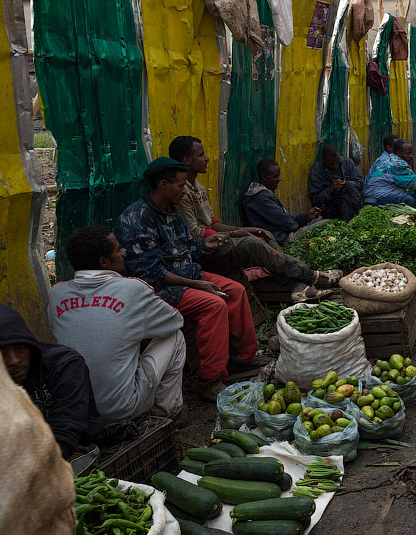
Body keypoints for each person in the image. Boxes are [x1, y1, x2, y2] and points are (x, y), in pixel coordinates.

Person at [114, 157, 266, 402]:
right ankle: (210, 381)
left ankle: (243, 359)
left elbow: (187, 248)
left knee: (235, 290)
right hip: (160, 288)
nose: (184, 190)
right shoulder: (137, 219)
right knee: (214, 305)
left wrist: (205, 245)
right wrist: (198, 285)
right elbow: (151, 274)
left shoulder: (172, 211)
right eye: (181, 185)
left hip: (187, 275)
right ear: (163, 184)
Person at [49, 225, 187, 425]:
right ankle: (167, 413)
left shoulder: (56, 294)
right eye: (117, 250)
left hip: (75, 411)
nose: (123, 252)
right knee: (175, 337)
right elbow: (175, 321)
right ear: (104, 261)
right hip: (121, 409)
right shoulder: (132, 288)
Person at [170, 136, 334, 302]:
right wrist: (236, 234)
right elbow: (196, 233)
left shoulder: (198, 187)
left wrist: (244, 230)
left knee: (263, 235)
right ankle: (311, 275)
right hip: (203, 250)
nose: (206, 158)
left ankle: (297, 288)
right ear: (187, 160)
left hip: (216, 241)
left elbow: (213, 222)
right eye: (201, 155)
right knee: (253, 244)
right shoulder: (181, 194)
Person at [0, 302, 100, 458]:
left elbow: (67, 428)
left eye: (20, 348)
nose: (14, 360)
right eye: (1, 352)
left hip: (70, 450)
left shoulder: (64, 365)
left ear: (30, 345)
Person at [243, 160, 322, 245]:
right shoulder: (262, 199)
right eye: (276, 176)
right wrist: (302, 222)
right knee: (324, 223)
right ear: (265, 177)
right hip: (282, 240)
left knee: (318, 219)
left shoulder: (264, 194)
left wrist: (306, 217)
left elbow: (284, 218)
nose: (279, 179)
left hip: (284, 233)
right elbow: (290, 225)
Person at [363, 139, 416, 206]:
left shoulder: (391, 158)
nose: (411, 156)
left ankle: (415, 217)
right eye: (408, 153)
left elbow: (409, 181)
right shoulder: (399, 164)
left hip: (380, 195)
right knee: (408, 200)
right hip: (376, 199)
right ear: (399, 152)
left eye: (411, 153)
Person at [307, 145, 364, 222]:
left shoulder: (347, 163)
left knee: (348, 189)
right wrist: (331, 190)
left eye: (337, 162)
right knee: (343, 200)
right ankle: (349, 224)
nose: (335, 166)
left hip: (352, 201)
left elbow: (360, 182)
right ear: (324, 160)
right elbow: (315, 200)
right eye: (331, 163)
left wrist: (346, 184)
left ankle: (352, 221)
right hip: (331, 208)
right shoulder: (316, 172)